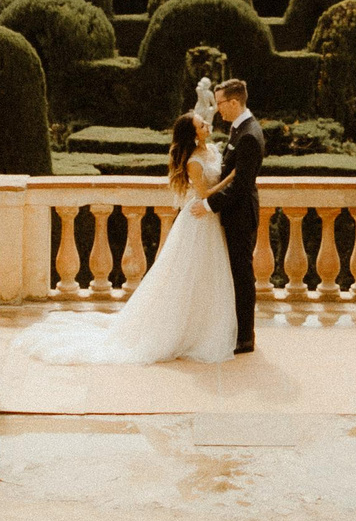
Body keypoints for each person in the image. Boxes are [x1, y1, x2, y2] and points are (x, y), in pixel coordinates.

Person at [17, 84, 241, 365]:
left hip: (210, 219)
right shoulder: (194, 162)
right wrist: (231, 178)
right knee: (190, 275)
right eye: (201, 124)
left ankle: (204, 326)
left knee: (207, 276)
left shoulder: (212, 150)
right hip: (198, 220)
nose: (207, 124)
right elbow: (205, 193)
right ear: (193, 134)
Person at [210, 77, 264, 354]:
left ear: (233, 102)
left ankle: (245, 337)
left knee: (242, 275)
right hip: (235, 213)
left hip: (240, 215)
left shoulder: (249, 135)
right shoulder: (239, 128)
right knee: (236, 273)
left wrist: (208, 204)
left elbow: (241, 184)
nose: (217, 108)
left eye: (220, 103)